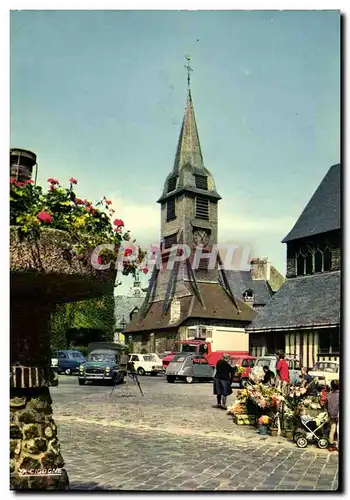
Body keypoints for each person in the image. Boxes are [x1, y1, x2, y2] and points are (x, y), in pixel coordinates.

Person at [327, 379, 339, 451]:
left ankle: (331, 445)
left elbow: (326, 404)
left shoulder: (330, 394)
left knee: (332, 429)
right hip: (338, 413)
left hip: (331, 414)